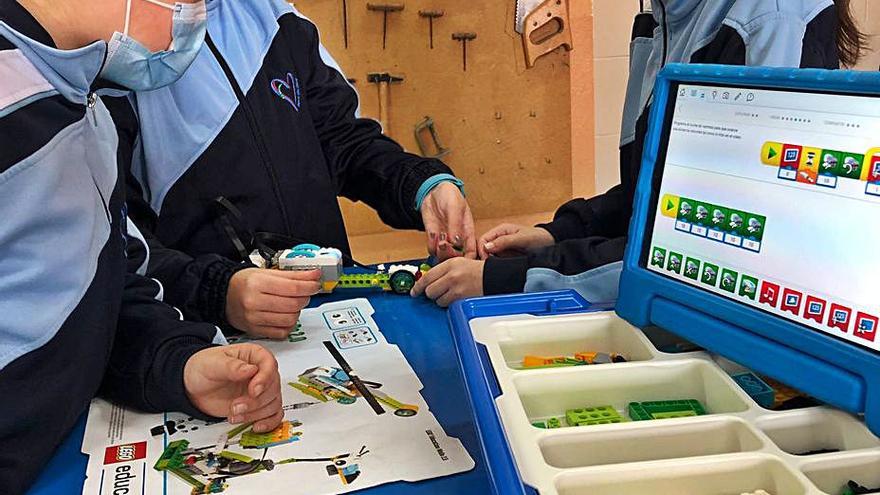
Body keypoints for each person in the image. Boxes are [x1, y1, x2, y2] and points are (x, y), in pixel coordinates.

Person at [413, 0, 867, 307]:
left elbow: (698, 251)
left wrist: (515, 279)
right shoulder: (664, 16)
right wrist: (557, 234)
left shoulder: (773, 19)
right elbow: (652, 193)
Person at [0, 1, 284, 492]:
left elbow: (104, 286)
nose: (194, 19)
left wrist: (180, 365)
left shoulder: (84, 102)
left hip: (58, 457)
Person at [107, 0, 476, 340]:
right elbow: (118, 242)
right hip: (208, 337)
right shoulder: (116, 51)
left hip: (326, 308)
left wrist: (420, 184)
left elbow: (344, 140)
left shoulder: (276, 18)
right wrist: (218, 292)